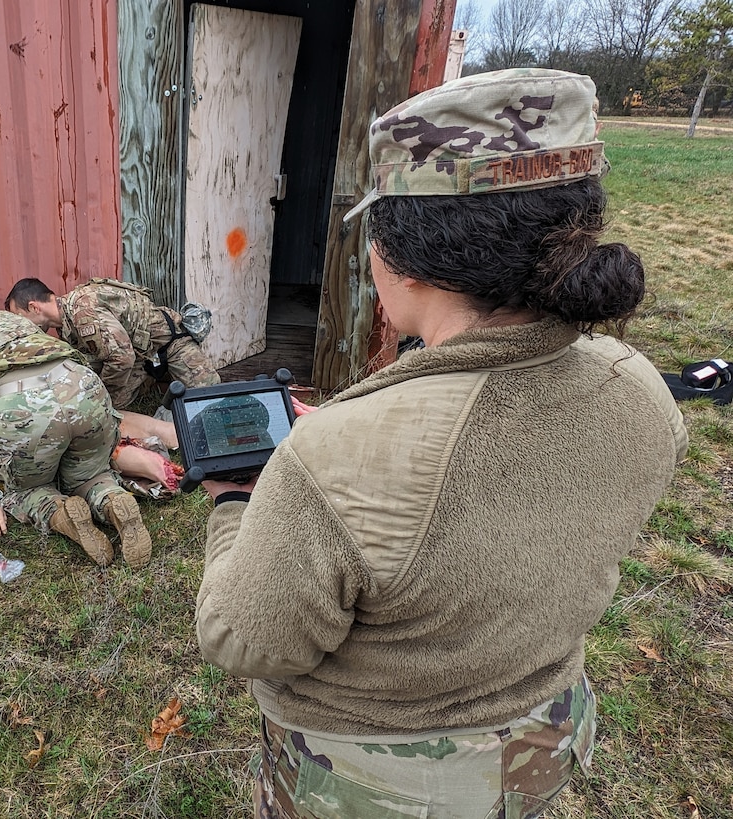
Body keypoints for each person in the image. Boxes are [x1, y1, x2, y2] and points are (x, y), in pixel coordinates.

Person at [194, 68, 688, 818]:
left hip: (377, 785)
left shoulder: (329, 462)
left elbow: (247, 639)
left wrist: (236, 499)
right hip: (542, 746)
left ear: (401, 260)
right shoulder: (641, 388)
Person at [0, 309, 152, 569]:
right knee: (91, 475)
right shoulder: (15, 322)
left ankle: (61, 513)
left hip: (22, 407)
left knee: (28, 490)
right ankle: (112, 500)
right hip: (82, 386)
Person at [6, 277, 220, 409]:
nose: (22, 326)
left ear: (34, 308)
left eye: (19, 317)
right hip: (141, 357)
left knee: (212, 400)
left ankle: (163, 381)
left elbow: (121, 358)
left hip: (171, 343)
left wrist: (101, 394)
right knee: (109, 411)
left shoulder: (82, 311)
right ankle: (152, 384)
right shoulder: (65, 327)